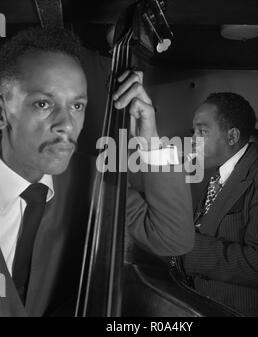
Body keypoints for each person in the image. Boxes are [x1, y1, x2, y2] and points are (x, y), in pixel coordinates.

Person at [0, 27, 194, 316]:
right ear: (3, 112)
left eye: (77, 105)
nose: (66, 124)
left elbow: (172, 238)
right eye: (44, 104)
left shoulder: (90, 176)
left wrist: (149, 136)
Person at [182, 92, 258, 316]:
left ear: (232, 136)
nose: (193, 140)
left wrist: (185, 247)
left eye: (202, 132)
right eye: (193, 132)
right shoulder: (219, 176)